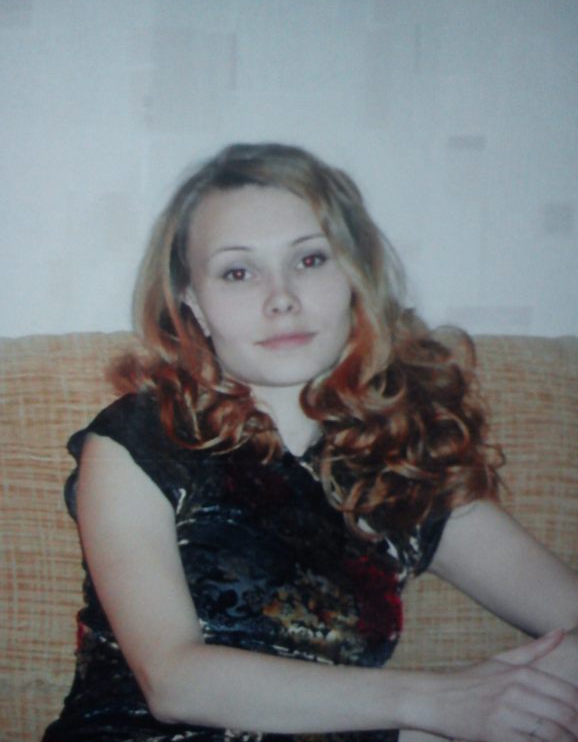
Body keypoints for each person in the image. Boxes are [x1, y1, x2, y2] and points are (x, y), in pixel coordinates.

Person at [43, 143, 578, 742]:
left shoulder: (400, 468)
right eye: (238, 272)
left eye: (310, 260)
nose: (282, 298)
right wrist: (438, 702)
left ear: (354, 277)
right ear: (193, 301)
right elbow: (174, 681)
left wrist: (509, 697)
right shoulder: (141, 440)